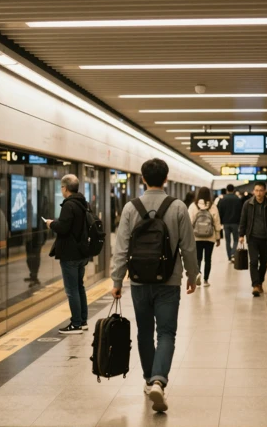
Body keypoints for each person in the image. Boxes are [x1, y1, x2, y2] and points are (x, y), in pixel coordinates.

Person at [111, 158, 198, 413]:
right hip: (168, 281)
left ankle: (150, 381)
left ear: (143, 179)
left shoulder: (130, 208)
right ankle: (159, 379)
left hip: (138, 281)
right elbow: (188, 248)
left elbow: (121, 247)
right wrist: (193, 276)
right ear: (167, 179)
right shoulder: (178, 207)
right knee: (167, 333)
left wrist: (117, 279)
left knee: (144, 331)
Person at [45, 174, 90, 334]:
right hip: (81, 253)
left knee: (72, 290)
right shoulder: (83, 203)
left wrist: (51, 224)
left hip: (70, 254)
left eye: (61, 187)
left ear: (64, 188)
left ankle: (76, 323)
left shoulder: (68, 205)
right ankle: (83, 320)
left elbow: (64, 228)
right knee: (79, 286)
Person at [239, 182, 267, 297]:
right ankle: (255, 285)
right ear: (253, 191)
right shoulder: (247, 204)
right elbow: (243, 220)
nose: (258, 193)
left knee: (263, 263)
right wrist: (241, 234)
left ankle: (260, 282)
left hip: (265, 238)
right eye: (256, 190)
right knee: (253, 262)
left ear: (265, 191)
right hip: (252, 237)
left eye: (261, 190)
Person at [188, 187, 222, 287]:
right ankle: (206, 280)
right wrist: (218, 237)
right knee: (208, 259)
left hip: (196, 237)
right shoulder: (213, 206)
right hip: (210, 237)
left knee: (198, 258)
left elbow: (189, 222)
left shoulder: (193, 206)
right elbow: (217, 222)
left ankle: (198, 274)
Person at [217, 184, 243, 262]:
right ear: (234, 189)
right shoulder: (238, 199)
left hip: (226, 223)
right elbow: (241, 211)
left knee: (227, 240)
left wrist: (220, 222)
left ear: (226, 190)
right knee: (236, 239)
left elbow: (219, 211)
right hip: (235, 223)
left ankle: (229, 256)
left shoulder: (222, 199)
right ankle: (233, 254)